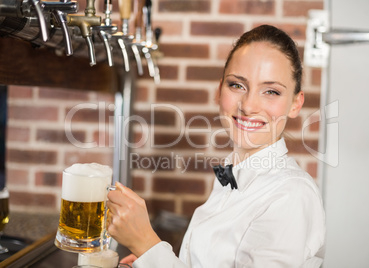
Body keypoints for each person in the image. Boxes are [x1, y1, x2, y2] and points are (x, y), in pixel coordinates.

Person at [107, 24, 326, 268]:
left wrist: (146, 244)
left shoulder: (291, 196)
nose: (249, 105)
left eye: (271, 91)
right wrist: (151, 261)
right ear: (219, 90)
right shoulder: (234, 174)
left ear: (296, 104)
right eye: (237, 85)